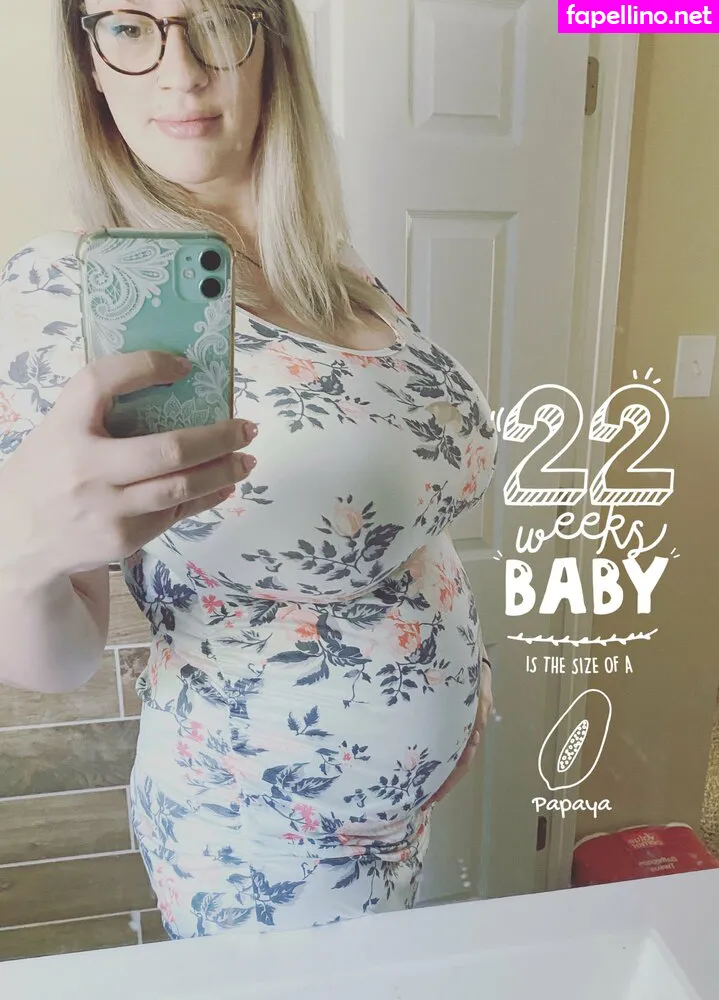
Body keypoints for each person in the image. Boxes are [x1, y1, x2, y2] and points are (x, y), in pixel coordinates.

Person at [0, 0, 497, 937]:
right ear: (89, 61)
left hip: (396, 824)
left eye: (218, 19)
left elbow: (404, 509)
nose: (180, 67)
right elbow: (57, 661)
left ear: (272, 44)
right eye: (129, 26)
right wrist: (17, 552)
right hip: (262, 833)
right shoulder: (56, 291)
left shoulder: (331, 265)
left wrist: (464, 681)